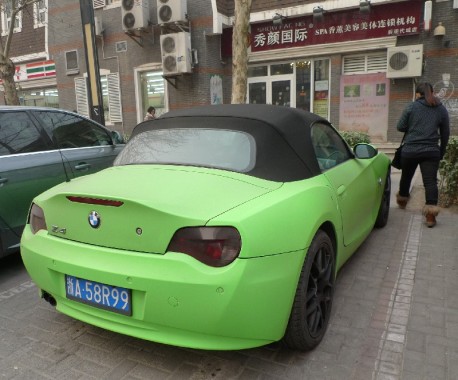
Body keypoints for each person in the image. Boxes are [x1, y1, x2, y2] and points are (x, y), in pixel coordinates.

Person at [395, 82, 450, 228]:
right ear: (432, 93)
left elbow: (400, 126)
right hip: (431, 151)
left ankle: (402, 201)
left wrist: (413, 125)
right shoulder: (440, 108)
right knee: (430, 182)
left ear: (418, 94)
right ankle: (431, 216)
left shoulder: (412, 106)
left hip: (411, 150)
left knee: (406, 176)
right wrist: (441, 151)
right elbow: (445, 133)